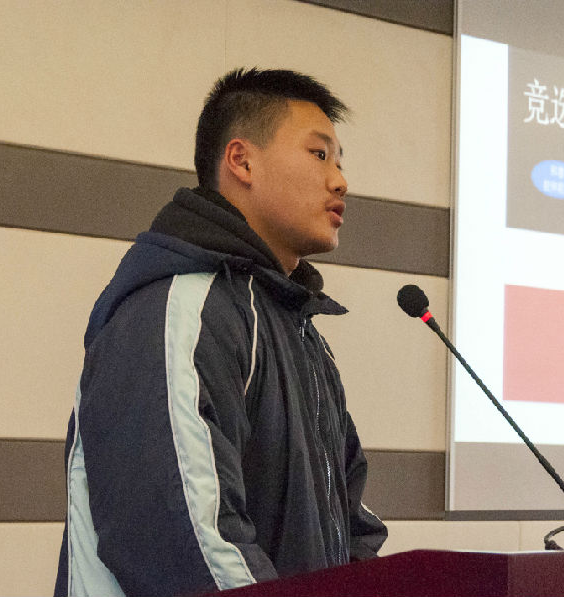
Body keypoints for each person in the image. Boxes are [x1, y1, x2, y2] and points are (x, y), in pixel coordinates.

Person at [53, 68, 387, 597]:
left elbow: (350, 521)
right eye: (319, 154)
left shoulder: (299, 332)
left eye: (340, 161)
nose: (340, 180)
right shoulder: (180, 310)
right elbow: (185, 539)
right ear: (241, 161)